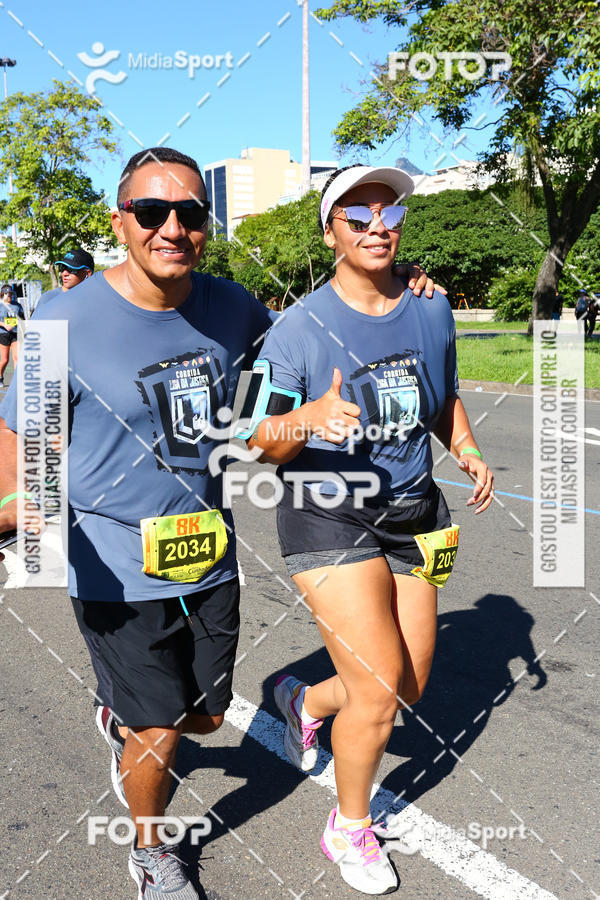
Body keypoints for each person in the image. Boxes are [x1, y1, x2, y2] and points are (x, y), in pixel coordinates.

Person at [0, 149, 439, 898]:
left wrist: (406, 289)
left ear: (206, 226)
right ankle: (151, 850)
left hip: (205, 552)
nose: (172, 228)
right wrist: (22, 521)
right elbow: (21, 455)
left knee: (205, 719)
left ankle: (125, 717)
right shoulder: (61, 319)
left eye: (191, 214)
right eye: (151, 212)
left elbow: (323, 324)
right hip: (110, 558)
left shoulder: (235, 308)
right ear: (120, 222)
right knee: (161, 729)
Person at [248, 165, 494, 895]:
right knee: (380, 692)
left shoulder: (431, 308)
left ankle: (305, 700)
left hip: (413, 512)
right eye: (358, 216)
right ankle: (348, 825)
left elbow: (441, 397)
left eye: (389, 214)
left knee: (407, 687)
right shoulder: (296, 327)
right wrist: (307, 420)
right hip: (329, 514)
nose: (378, 226)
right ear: (331, 233)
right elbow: (259, 439)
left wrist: (470, 450)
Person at [34, 247, 95, 315]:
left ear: (87, 273)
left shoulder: (97, 300)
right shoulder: (48, 298)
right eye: (62, 268)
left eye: (71, 269)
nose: (64, 273)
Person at [0, 284, 25, 386]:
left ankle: (16, 381)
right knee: (5, 360)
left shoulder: (17, 305)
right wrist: (5, 325)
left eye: (11, 294)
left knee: (17, 357)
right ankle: (0, 377)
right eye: (7, 294)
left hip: (15, 333)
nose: (10, 296)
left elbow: (22, 319)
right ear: (2, 295)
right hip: (3, 334)